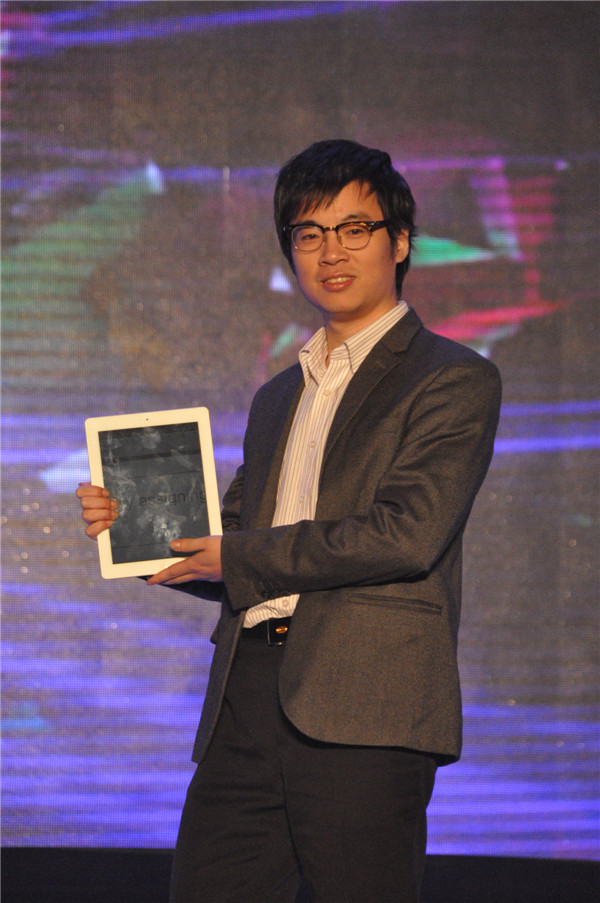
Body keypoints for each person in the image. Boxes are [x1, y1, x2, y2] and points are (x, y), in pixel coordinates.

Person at [77, 139, 502, 903]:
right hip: (246, 698)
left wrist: (233, 557)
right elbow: (238, 542)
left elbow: (404, 533)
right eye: (309, 233)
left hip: (364, 704)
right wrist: (138, 532)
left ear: (400, 242)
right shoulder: (279, 395)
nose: (330, 251)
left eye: (354, 228)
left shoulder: (453, 378)